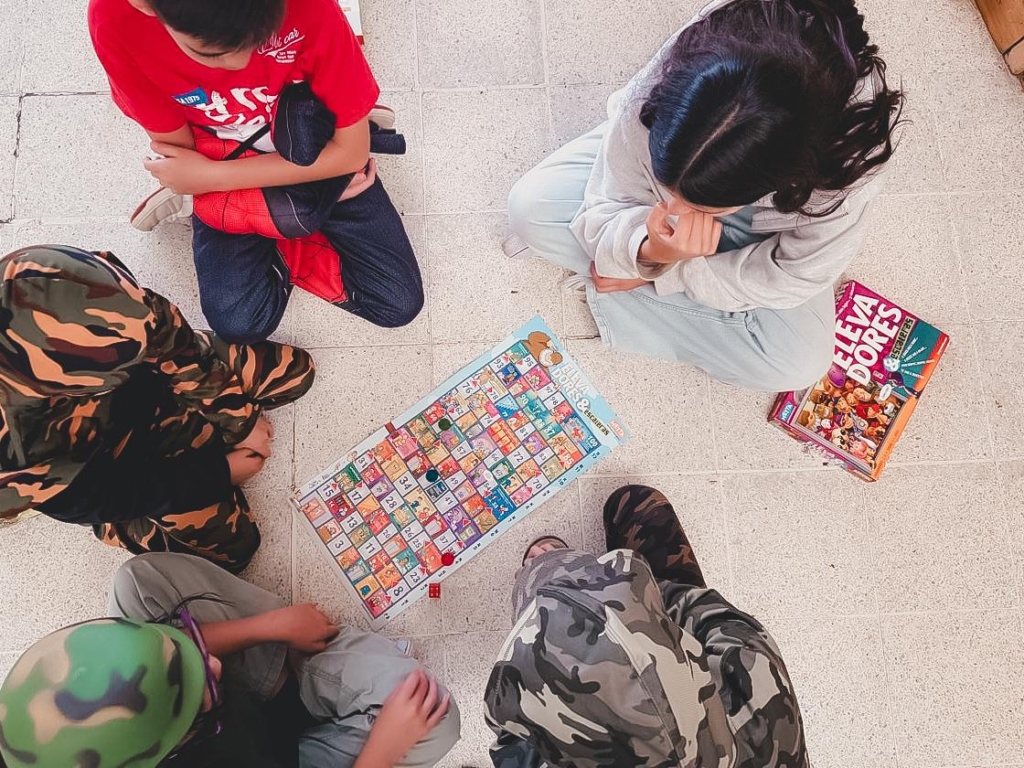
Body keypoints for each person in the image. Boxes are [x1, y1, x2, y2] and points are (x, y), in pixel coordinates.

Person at [506, 0, 903, 391]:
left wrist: (667, 271)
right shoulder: (694, 58)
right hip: (669, 151)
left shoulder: (849, 161)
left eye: (698, 206)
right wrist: (649, 251)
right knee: (530, 208)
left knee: (797, 364)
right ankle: (638, 280)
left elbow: (793, 276)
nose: (673, 211)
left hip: (767, 226)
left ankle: (621, 279)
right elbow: (619, 175)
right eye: (671, 191)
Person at [88, 0, 423, 344]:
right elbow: (180, 152)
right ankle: (288, 211)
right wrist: (324, 179)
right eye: (213, 53)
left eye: (260, 39)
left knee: (397, 303)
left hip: (296, 141)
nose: (241, 63)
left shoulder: (311, 6)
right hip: (230, 155)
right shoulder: (115, 20)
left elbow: (351, 155)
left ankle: (255, 211)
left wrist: (209, 179)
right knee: (239, 324)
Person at [0, 246, 315, 573]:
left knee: (296, 373)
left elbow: (165, 334)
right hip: (109, 463)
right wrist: (221, 472)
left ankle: (197, 430)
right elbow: (111, 494)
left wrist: (239, 420)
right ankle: (118, 528)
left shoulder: (44, 277)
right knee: (235, 551)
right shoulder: (12, 464)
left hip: (151, 383)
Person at [0, 551, 460, 767]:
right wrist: (381, 753)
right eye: (196, 684)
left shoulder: (34, 730)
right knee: (434, 717)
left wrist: (271, 627)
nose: (214, 663)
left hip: (243, 724)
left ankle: (287, 669)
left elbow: (176, 641)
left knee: (137, 581)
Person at [485, 485, 809, 767]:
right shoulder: (763, 724)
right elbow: (725, 623)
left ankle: (557, 581)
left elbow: (511, 732)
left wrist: (558, 581)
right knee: (634, 502)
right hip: (687, 645)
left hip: (577, 702)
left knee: (549, 600)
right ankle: (581, 583)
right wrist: (647, 600)